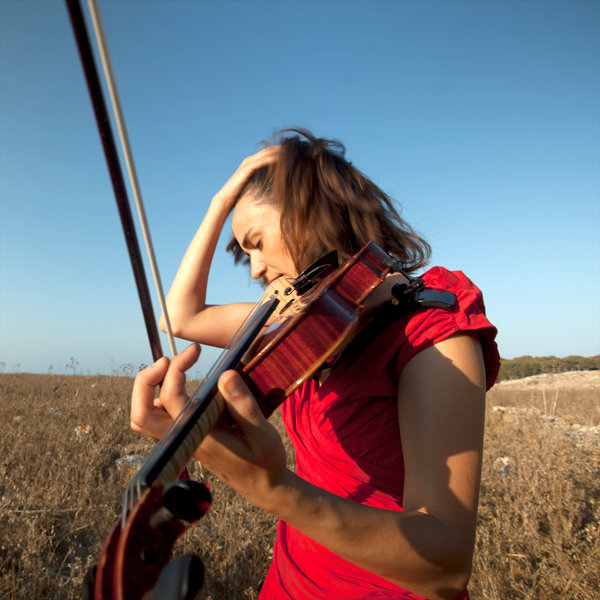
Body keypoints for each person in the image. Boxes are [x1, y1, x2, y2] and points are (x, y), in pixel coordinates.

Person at [130, 128, 500, 600]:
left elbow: (446, 567)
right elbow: (180, 316)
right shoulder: (302, 323)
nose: (255, 269)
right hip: (288, 583)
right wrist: (220, 203)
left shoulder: (432, 332)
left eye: (256, 242)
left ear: (307, 210)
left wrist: (274, 489)